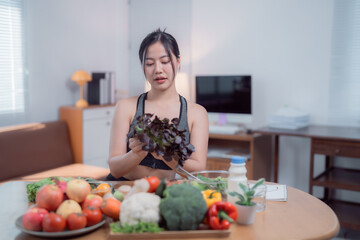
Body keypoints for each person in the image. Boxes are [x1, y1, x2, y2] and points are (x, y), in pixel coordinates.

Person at [106, 29, 209, 181]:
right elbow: (115, 169)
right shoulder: (126, 107)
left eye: (165, 61)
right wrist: (137, 153)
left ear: (178, 62)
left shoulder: (197, 113)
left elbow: (198, 168)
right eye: (149, 63)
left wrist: (165, 153)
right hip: (126, 189)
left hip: (166, 193)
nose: (158, 70)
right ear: (143, 67)